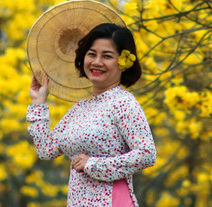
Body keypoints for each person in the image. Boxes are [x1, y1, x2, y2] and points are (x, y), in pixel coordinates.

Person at [27, 22, 156, 206]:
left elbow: (146, 154)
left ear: (123, 62)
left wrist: (93, 165)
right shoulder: (80, 109)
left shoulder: (124, 103)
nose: (97, 62)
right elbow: (46, 150)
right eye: (91, 54)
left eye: (107, 56)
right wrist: (38, 104)